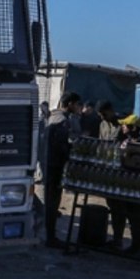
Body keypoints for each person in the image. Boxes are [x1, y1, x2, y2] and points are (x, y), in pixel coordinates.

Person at [107, 114, 140, 255]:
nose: (122, 127)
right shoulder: (125, 140)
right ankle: (122, 241)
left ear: (133, 128)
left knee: (137, 215)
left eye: (125, 125)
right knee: (121, 211)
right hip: (124, 182)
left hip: (137, 185)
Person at [43, 92, 82, 248]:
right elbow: (61, 146)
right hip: (55, 166)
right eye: (77, 104)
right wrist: (72, 153)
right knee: (53, 202)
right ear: (70, 104)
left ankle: (49, 235)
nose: (78, 107)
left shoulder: (53, 117)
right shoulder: (63, 121)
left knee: (49, 201)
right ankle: (50, 238)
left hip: (47, 164)